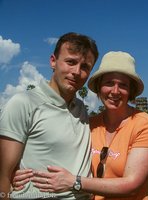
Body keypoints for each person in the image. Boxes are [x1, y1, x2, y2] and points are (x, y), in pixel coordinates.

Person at [13, 51, 148, 200]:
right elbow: (58, 153)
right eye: (109, 83)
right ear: (99, 87)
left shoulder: (144, 124)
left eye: (123, 85)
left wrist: (74, 182)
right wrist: (23, 173)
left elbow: (132, 185)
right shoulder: (88, 123)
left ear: (130, 90)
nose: (115, 91)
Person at [0, 32, 99, 199]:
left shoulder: (81, 108)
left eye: (85, 67)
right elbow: (3, 175)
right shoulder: (23, 103)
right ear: (53, 61)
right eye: (70, 62)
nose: (76, 71)